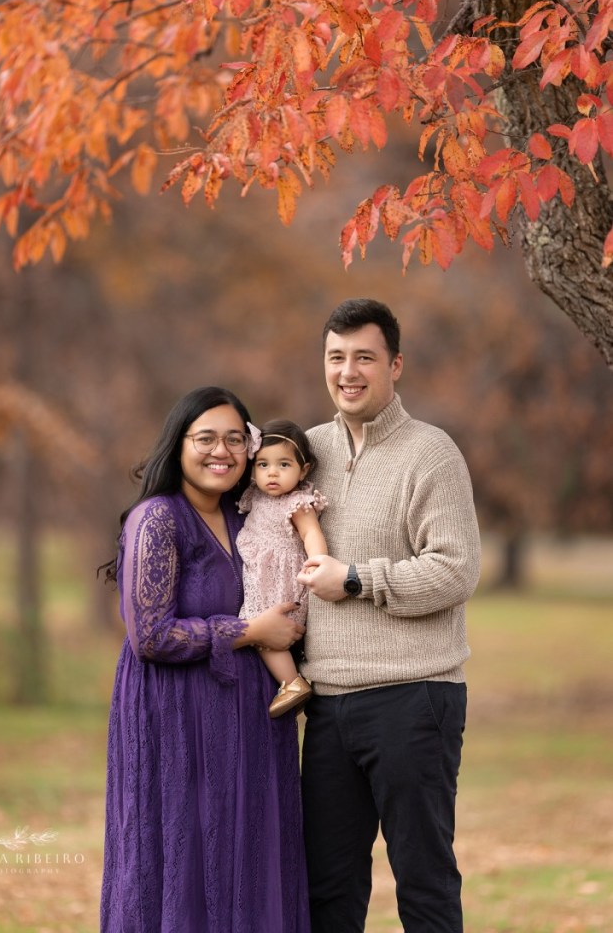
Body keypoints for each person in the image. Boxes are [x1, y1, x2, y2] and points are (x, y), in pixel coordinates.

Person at [297, 299, 482, 933]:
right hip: (327, 705)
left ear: (395, 365)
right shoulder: (305, 452)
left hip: (414, 697)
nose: (348, 372)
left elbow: (455, 572)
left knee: (424, 881)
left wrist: (353, 579)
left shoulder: (431, 453)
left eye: (364, 358)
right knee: (326, 889)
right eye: (336, 358)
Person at [100, 386, 311, 933]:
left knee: (249, 854)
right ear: (179, 446)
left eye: (236, 439)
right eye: (207, 438)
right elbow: (151, 636)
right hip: (176, 721)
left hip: (249, 720)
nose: (222, 451)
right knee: (186, 856)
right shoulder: (158, 519)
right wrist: (250, 630)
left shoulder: (246, 519)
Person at [237, 419, 327, 718]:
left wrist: (317, 564)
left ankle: (292, 683)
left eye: (283, 465)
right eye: (262, 464)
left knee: (263, 631)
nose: (271, 473)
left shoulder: (298, 502)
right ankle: (291, 680)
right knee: (260, 629)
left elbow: (311, 534)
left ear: (303, 470)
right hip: (261, 578)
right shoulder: (257, 496)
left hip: (283, 581)